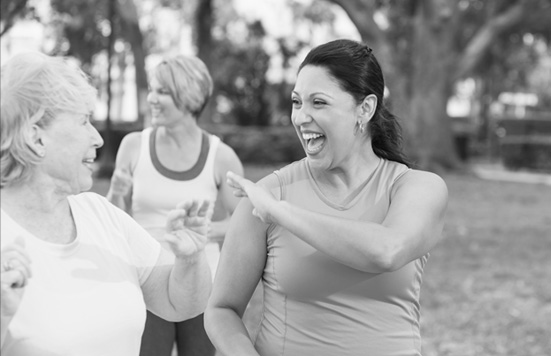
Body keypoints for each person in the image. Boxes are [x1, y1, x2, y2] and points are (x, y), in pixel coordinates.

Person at [204, 39, 449, 356]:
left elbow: (387, 250)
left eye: (318, 103)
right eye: (296, 102)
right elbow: (222, 309)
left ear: (365, 108)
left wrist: (280, 213)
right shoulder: (268, 195)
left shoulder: (417, 188)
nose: (300, 117)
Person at [0, 52, 212, 356]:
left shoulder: (102, 215)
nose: (97, 138)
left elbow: (177, 301)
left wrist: (190, 259)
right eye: (84, 121)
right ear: (36, 137)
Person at [106, 54, 243, 356]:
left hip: (200, 283)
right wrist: (115, 194)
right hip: (146, 279)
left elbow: (242, 222)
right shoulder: (133, 146)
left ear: (189, 97)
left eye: (162, 92)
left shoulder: (221, 157)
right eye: (152, 90)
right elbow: (113, 221)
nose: (151, 99)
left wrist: (198, 234)